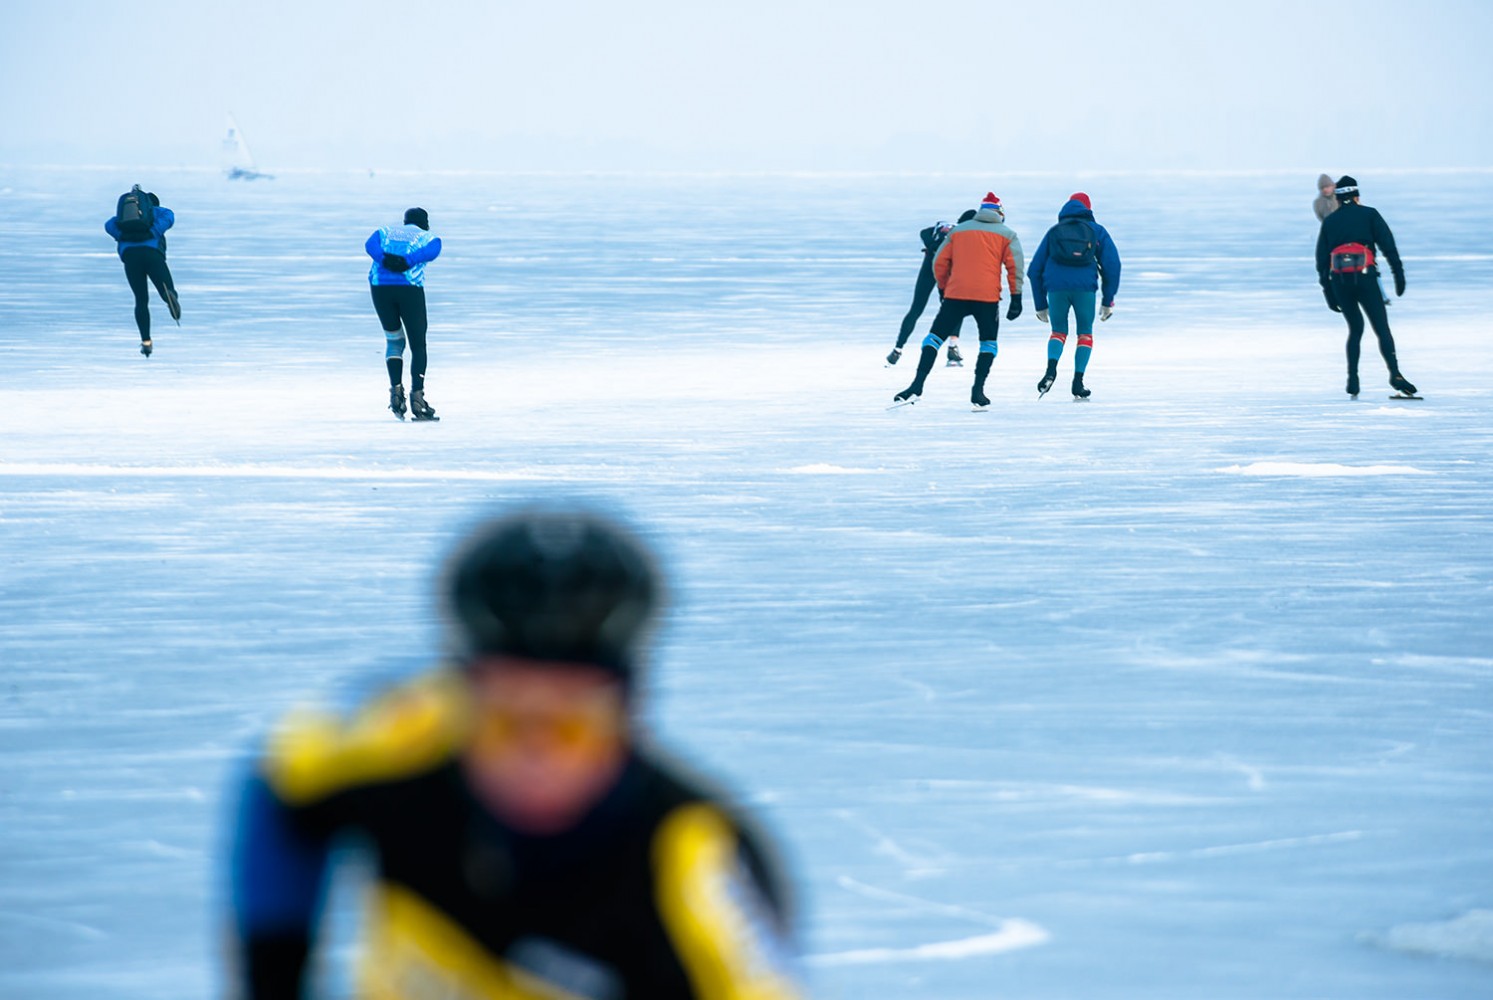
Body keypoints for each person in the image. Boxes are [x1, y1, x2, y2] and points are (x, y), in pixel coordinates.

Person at [228, 503, 805, 1000]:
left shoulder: (691, 864)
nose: (535, 757)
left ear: (629, 718)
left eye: (573, 727)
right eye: (503, 723)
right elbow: (282, 782)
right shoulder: (402, 737)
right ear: (458, 704)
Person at [892, 193, 1024, 411]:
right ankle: (978, 392)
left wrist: (944, 287)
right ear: (1000, 213)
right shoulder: (1007, 234)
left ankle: (916, 385)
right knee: (988, 343)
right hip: (987, 297)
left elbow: (939, 262)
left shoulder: (958, 231)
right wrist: (1016, 297)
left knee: (933, 339)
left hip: (956, 294)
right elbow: (1015, 268)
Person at [1315, 176, 1418, 398]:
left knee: (1355, 329)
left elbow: (1322, 261)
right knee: (1382, 329)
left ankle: (1353, 379)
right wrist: (1398, 275)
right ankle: (1395, 375)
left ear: (1338, 199)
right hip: (1366, 279)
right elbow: (1389, 246)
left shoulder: (1330, 221)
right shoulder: (1370, 214)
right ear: (1357, 196)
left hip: (1340, 282)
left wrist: (1328, 293)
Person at [1026, 192, 1122, 400]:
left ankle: (1051, 370)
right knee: (1085, 334)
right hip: (1084, 288)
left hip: (1056, 288)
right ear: (1088, 209)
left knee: (1058, 332)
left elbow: (1034, 270)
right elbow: (1112, 266)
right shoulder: (1097, 231)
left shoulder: (1054, 231)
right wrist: (1108, 300)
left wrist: (1040, 304)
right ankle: (1078, 382)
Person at [367, 208, 443, 420]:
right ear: (425, 223)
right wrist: (408, 261)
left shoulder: (385, 232)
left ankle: (396, 395)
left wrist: (384, 259)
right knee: (418, 345)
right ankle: (417, 400)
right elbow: (433, 250)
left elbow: (370, 244)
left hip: (380, 288)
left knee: (394, 340)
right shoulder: (428, 236)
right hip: (409, 289)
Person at [887, 209, 978, 368]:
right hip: (946, 270)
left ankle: (897, 349)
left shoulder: (945, 227)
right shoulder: (966, 235)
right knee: (955, 308)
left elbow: (924, 232)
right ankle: (952, 348)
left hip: (929, 267)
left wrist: (932, 246)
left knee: (916, 309)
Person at [104, 185, 180, 357]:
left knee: (141, 299)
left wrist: (122, 236)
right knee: (167, 287)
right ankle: (169, 296)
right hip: (152, 254)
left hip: (131, 257)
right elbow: (170, 216)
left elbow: (108, 225)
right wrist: (153, 231)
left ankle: (146, 341)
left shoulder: (121, 219)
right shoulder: (159, 212)